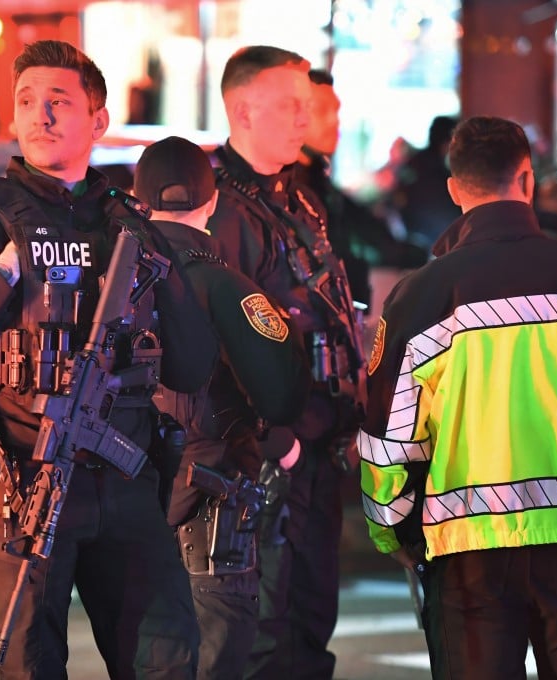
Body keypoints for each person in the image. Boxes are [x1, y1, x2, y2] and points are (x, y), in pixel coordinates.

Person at [0, 40, 218, 679]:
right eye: (27, 101)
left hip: (122, 484)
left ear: (97, 121)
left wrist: (170, 266)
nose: (41, 115)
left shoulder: (129, 225)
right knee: (32, 667)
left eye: (59, 102)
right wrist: (2, 275)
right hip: (18, 486)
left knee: (167, 660)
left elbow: (190, 366)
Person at [359, 115, 557, 679]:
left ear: (455, 189)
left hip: (467, 552)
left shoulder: (425, 295)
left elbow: (389, 436)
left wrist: (393, 531)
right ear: (527, 181)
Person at [208, 45, 367, 679]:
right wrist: (274, 438)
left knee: (310, 623)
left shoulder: (301, 199)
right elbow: (212, 339)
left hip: (321, 447)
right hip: (263, 456)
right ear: (244, 110)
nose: (306, 118)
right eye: (291, 105)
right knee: (265, 635)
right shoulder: (217, 209)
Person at [133, 135, 311, 679]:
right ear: (212, 205)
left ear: (138, 203)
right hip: (209, 516)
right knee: (215, 657)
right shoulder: (229, 285)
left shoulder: (107, 281)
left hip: (123, 507)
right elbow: (284, 393)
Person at [294, 69, 427, 309]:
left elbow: (365, 227)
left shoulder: (319, 181)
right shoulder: (286, 189)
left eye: (336, 110)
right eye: (322, 111)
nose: (335, 120)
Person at [390, 114, 461, 249]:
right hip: (439, 245)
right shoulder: (443, 174)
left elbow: (397, 202)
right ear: (449, 142)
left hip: (413, 243)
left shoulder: (412, 165)